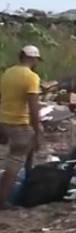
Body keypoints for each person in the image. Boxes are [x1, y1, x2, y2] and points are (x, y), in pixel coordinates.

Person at [0, 46, 43, 209]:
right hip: (20, 123)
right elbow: (33, 107)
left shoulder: (8, 73)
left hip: (4, 120)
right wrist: (37, 133)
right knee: (15, 160)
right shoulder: (31, 77)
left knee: (19, 155)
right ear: (33, 59)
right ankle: (2, 200)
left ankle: (27, 180)